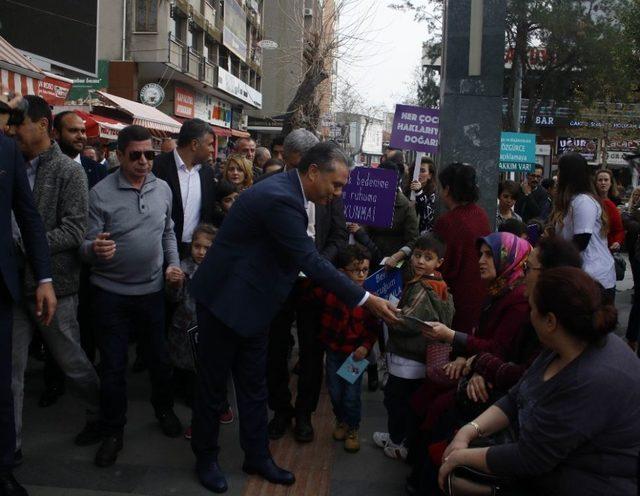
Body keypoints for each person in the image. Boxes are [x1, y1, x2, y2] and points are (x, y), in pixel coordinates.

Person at [188, 141, 399, 493]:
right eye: (336, 184)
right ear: (313, 172)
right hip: (225, 304)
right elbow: (310, 261)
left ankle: (256, 455)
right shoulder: (280, 198)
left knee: (254, 387)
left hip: (255, 306)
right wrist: (366, 299)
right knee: (213, 388)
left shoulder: (291, 192)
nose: (339, 193)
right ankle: (206, 458)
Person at [438, 267, 640, 496]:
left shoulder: (592, 378)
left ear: (551, 321)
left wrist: (459, 457)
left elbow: (530, 457)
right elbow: (518, 394)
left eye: (532, 308)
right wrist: (468, 431)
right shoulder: (562, 345)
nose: (528, 314)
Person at [81, 125, 185, 468]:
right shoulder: (99, 193)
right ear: (119, 155)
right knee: (112, 368)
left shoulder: (164, 189)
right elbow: (82, 246)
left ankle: (164, 409)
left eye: (150, 155)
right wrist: (94, 249)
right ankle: (113, 430)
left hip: (152, 292)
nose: (144, 162)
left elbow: (168, 231)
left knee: (159, 359)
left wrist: (173, 265)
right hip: (110, 295)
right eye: (136, 155)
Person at [8, 95, 102, 458]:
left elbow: (74, 230)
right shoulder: (9, 163)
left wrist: (23, 246)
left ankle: (100, 414)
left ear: (43, 126)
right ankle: (10, 445)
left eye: (20, 123)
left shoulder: (68, 171)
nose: (13, 129)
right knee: (11, 370)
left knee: (73, 362)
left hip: (57, 288)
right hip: (13, 287)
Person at [267, 128, 349, 445]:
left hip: (315, 284)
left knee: (313, 353)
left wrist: (317, 261)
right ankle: (280, 410)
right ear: (289, 159)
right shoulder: (273, 188)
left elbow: (340, 237)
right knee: (275, 350)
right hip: (279, 282)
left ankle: (304, 414)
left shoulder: (330, 193)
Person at [0, 123, 56, 496]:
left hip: (1, 288)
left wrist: (44, 279)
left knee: (2, 384)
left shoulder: (6, 151)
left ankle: (3, 468)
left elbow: (29, 217)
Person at [372, 234, 454, 460]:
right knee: (406, 400)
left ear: (439, 262)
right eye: (417, 255)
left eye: (428, 258)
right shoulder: (440, 284)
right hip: (421, 356)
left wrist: (385, 311)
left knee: (395, 399)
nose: (420, 261)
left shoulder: (423, 288)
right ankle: (398, 436)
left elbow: (407, 321)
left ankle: (398, 442)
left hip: (408, 357)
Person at [388, 163, 491, 335]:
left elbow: (438, 261)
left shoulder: (449, 222)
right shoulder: (480, 214)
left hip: (451, 301)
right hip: (477, 299)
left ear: (448, 189)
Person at [311, 245, 380, 453]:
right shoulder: (331, 292)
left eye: (365, 270)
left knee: (351, 395)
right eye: (355, 270)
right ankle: (341, 420)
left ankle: (352, 428)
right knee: (334, 390)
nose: (361, 275)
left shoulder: (369, 299)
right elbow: (313, 290)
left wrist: (365, 348)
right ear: (341, 272)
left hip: (355, 356)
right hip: (333, 351)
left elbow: (372, 329)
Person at [166, 223, 218, 439]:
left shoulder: (218, 269)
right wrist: (175, 285)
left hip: (206, 330)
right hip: (183, 326)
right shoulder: (183, 268)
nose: (201, 252)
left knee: (203, 369)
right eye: (197, 246)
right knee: (183, 364)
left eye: (207, 248)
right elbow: (173, 299)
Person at [550, 153, 615, 302]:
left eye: (560, 171)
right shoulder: (573, 201)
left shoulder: (583, 201)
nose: (557, 175)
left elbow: (581, 240)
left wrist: (554, 255)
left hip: (593, 277)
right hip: (580, 275)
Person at [152, 118, 216, 257]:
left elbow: (207, 213)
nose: (212, 150)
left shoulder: (207, 172)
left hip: (195, 254)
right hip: (160, 251)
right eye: (210, 144)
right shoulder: (157, 167)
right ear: (194, 144)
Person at [352, 160, 419, 260]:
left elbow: (413, 240)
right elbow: (363, 229)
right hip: (368, 258)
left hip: (394, 260)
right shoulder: (369, 200)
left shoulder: (406, 207)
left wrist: (398, 256)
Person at [53, 111, 107, 189]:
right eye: (73, 130)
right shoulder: (42, 165)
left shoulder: (98, 170)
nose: (80, 136)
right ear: (56, 133)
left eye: (83, 131)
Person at [595, 168, 625, 251]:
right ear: (596, 183)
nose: (603, 183)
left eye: (606, 180)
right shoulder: (589, 200)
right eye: (600, 180)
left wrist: (617, 242)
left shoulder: (613, 204)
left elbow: (619, 230)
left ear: (611, 183)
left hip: (607, 248)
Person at [409, 157, 438, 234]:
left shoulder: (434, 194)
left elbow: (427, 216)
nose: (418, 174)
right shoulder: (406, 189)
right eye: (416, 170)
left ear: (430, 175)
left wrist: (419, 193)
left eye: (422, 171)